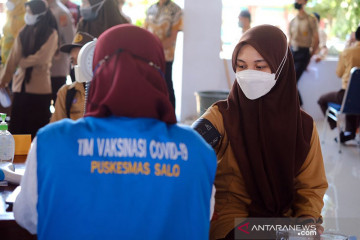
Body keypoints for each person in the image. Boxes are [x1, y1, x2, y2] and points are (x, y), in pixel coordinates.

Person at [13, 24, 217, 240]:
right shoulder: (197, 150)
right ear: (159, 74)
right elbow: (203, 214)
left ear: (96, 72)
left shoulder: (51, 142)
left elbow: (28, 217)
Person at [192, 25, 328, 240]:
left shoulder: (303, 128)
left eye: (260, 66)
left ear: (281, 67)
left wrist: (308, 222)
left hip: (286, 222)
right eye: (241, 66)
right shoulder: (221, 116)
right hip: (233, 219)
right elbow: (189, 150)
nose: (248, 75)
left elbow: (311, 187)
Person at [0, 0, 58, 138]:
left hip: (39, 89)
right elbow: (12, 59)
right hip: (21, 88)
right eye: (26, 12)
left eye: (30, 12)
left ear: (39, 13)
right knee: (17, 129)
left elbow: (42, 57)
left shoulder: (51, 33)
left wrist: (23, 62)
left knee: (36, 131)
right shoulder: (24, 31)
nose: (27, 15)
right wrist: (3, 80)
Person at [318, 26, 360, 143]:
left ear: (355, 36)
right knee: (354, 101)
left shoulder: (347, 52)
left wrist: (349, 45)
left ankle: (338, 130)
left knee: (322, 100)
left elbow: (339, 73)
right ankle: (349, 133)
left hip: (348, 97)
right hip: (356, 100)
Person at [144, 0, 183, 109]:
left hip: (165, 56)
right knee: (150, 86)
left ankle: (171, 118)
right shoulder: (150, 9)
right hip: (150, 56)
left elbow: (172, 39)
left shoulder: (176, 10)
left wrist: (155, 49)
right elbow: (145, 31)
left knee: (166, 85)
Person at [50, 31, 95, 122]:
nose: (76, 65)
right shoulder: (66, 93)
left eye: (80, 59)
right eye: (72, 61)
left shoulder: (107, 92)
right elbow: (55, 129)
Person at [289, 0, 319, 106]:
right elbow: (290, 40)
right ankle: (298, 109)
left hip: (304, 53)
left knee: (291, 81)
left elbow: (316, 39)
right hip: (292, 53)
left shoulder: (311, 19)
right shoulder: (292, 21)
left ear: (305, 2)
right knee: (289, 81)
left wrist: (309, 56)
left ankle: (300, 109)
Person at [46, 0, 75, 103]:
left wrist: (59, 53)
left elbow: (69, 38)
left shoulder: (61, 12)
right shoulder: (46, 8)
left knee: (58, 99)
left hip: (57, 65)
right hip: (46, 65)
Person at [1, 0, 26, 65]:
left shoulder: (25, 16)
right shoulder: (10, 12)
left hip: (17, 48)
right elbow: (7, 27)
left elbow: (22, 34)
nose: (8, 2)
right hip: (6, 48)